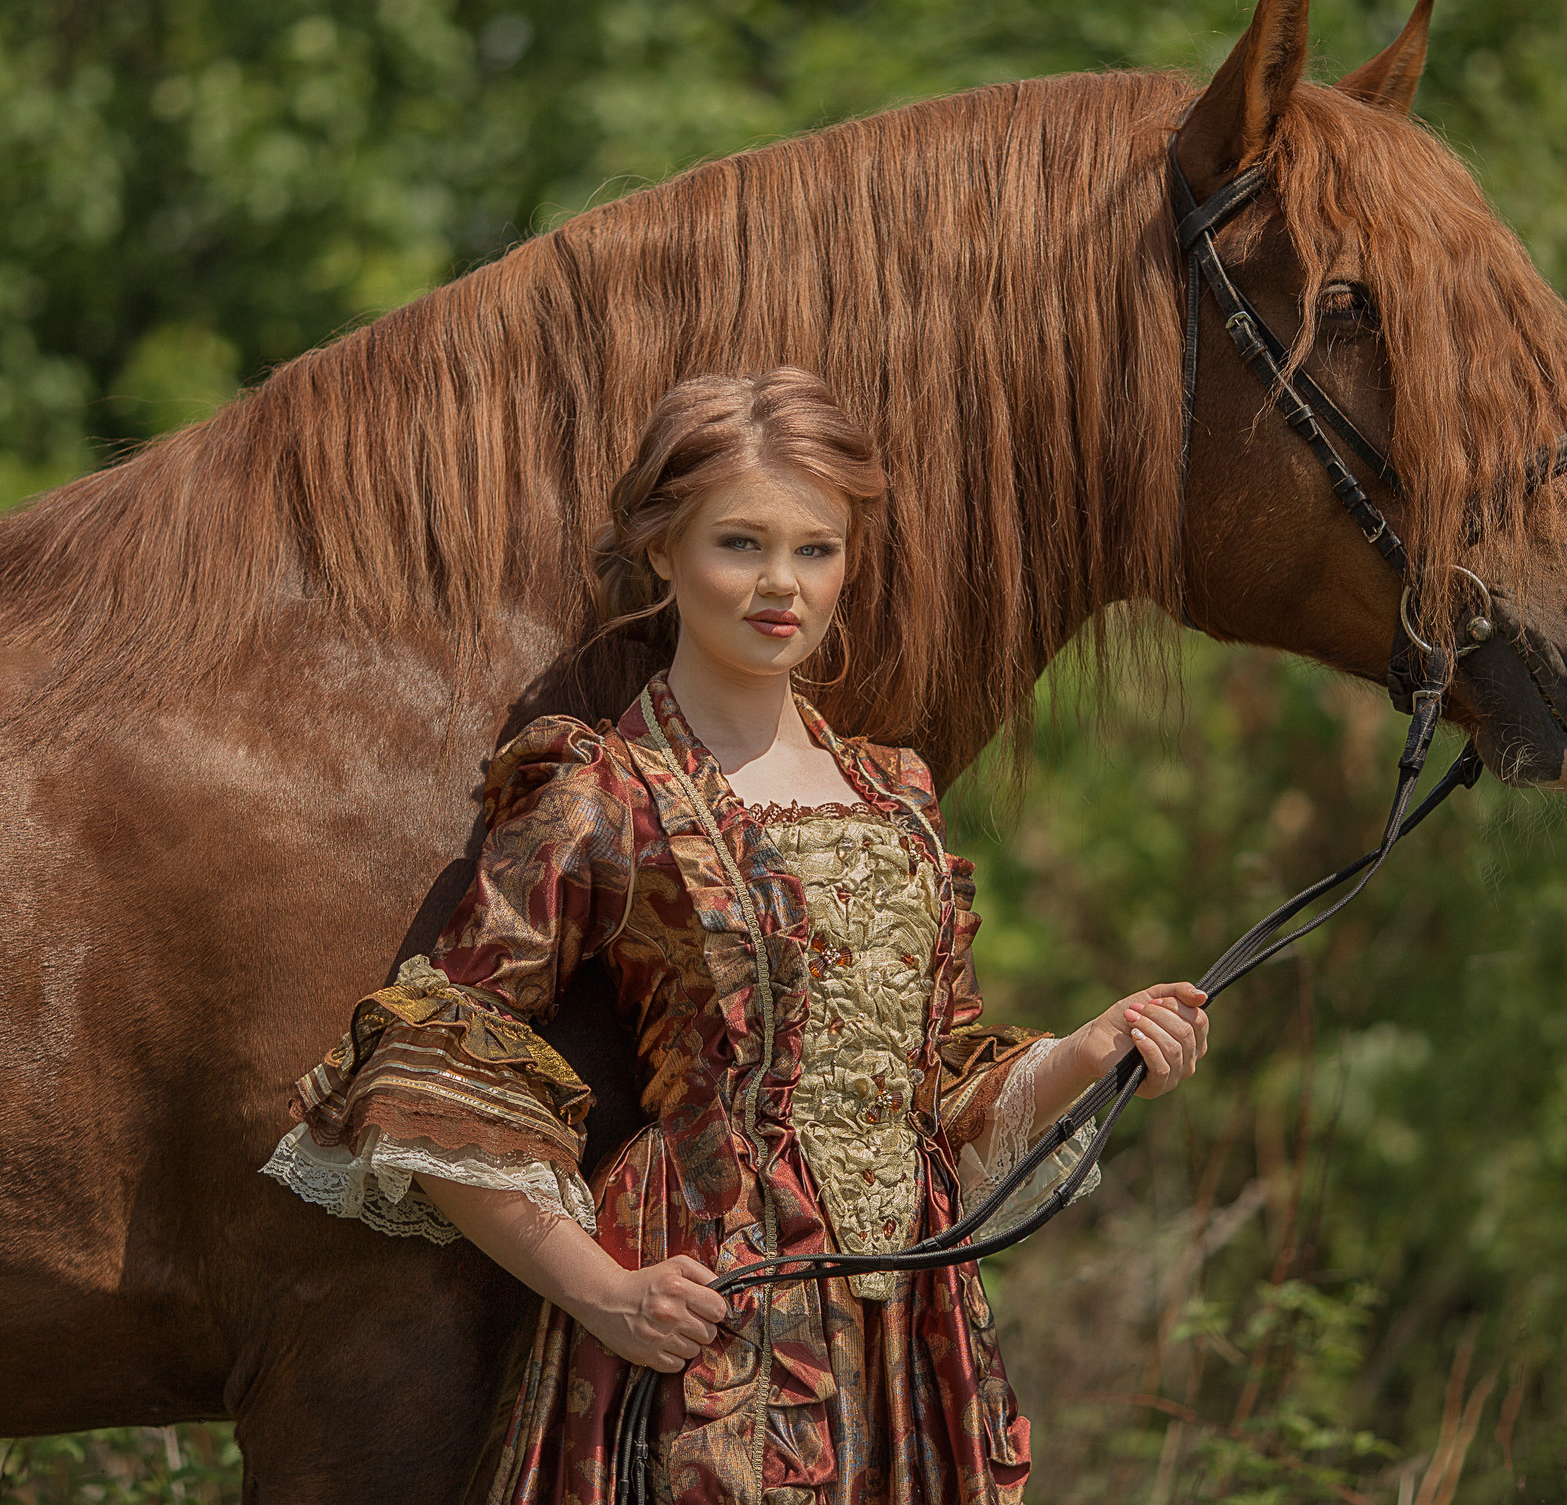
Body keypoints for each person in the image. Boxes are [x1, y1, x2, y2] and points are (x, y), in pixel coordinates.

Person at [261, 367, 1210, 1505]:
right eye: (740, 544)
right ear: (663, 551)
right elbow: (430, 1067)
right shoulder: (601, 794)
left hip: (908, 1340)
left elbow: (935, 1097)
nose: (781, 584)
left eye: (816, 549)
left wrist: (1091, 1051)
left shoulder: (897, 793)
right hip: (706, 1332)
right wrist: (601, 1290)